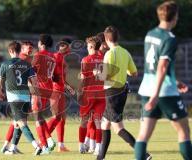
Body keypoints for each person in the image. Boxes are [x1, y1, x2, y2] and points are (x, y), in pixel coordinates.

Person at [135, 1, 192, 160]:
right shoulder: (170, 38)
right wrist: (156, 95)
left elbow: (153, 67)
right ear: (175, 17)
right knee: (184, 131)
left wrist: (175, 81)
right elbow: (161, 67)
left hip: (147, 88)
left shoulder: (150, 34)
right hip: (164, 92)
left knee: (144, 134)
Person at [96, 26, 151, 160]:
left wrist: (96, 72)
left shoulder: (109, 54)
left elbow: (103, 76)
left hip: (111, 93)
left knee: (118, 128)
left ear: (107, 39)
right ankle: (100, 157)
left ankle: (144, 154)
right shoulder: (125, 52)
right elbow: (134, 73)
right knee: (105, 124)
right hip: (122, 92)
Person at [0, 41, 41, 155]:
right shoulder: (27, 64)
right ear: (19, 50)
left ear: (10, 51)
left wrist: (0, 93)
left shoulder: (5, 64)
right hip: (26, 97)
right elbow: (34, 82)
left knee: (21, 124)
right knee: (18, 123)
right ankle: (12, 148)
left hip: (14, 97)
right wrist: (37, 97)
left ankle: (36, 146)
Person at [78, 36, 105, 156]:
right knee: (98, 122)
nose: (87, 48)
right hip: (101, 94)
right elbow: (104, 77)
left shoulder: (85, 60)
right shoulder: (104, 58)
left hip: (88, 95)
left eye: (88, 46)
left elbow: (83, 79)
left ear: (92, 47)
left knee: (84, 121)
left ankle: (81, 146)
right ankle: (98, 148)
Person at [46, 38, 73, 152]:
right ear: (64, 46)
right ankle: (43, 138)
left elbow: (60, 77)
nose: (71, 48)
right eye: (69, 46)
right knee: (56, 117)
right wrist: (51, 78)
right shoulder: (56, 57)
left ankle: (61, 145)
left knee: (62, 118)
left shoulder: (62, 58)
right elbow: (49, 72)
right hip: (55, 91)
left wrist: (68, 86)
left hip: (61, 90)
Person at [32, 34, 56, 153]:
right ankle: (48, 141)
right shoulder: (53, 57)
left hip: (39, 89)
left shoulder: (38, 55)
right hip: (49, 89)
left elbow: (32, 72)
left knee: (37, 117)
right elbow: (55, 75)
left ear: (42, 43)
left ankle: (44, 145)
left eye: (38, 41)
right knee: (40, 116)